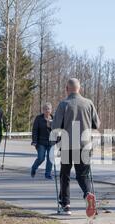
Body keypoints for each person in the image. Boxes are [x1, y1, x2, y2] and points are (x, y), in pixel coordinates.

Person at [51, 78, 101, 216]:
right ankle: (88, 194)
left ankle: (66, 205)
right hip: (85, 144)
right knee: (83, 174)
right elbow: (96, 124)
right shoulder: (88, 103)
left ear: (67, 89)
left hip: (67, 144)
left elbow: (55, 126)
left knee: (65, 175)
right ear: (80, 89)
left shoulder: (64, 104)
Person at [31, 103, 54, 179]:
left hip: (51, 142)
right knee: (41, 158)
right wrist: (34, 141)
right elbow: (35, 130)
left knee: (50, 158)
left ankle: (48, 174)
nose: (47, 110)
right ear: (43, 110)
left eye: (48, 109)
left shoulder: (54, 119)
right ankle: (34, 168)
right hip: (41, 142)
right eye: (45, 109)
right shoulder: (39, 118)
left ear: (51, 110)